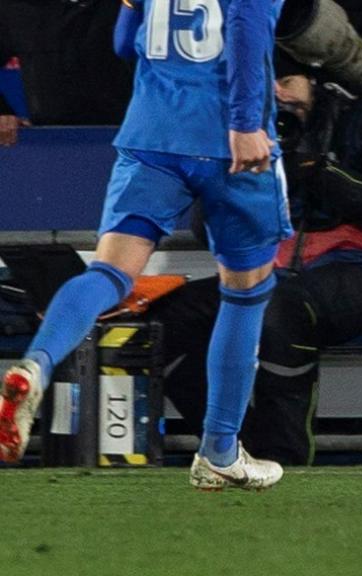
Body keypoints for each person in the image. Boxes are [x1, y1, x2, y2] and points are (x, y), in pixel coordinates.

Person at [0, 0, 290, 491]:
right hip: (227, 140)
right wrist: (244, 123)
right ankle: (219, 449)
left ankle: (37, 364)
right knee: (247, 291)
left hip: (151, 133)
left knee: (110, 273)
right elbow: (246, 27)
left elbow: (120, 43)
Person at [148, 52, 362, 465]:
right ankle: (238, 445)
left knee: (281, 306)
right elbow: (206, 230)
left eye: (286, 79)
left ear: (314, 78)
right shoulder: (246, 132)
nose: (277, 93)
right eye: (265, 83)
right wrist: (233, 181)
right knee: (167, 319)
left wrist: (318, 172)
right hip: (279, 277)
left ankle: (285, 458)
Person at [0, 0, 134, 126]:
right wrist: (3, 114)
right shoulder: (15, 7)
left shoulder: (126, 5)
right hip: (48, 140)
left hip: (123, 134)